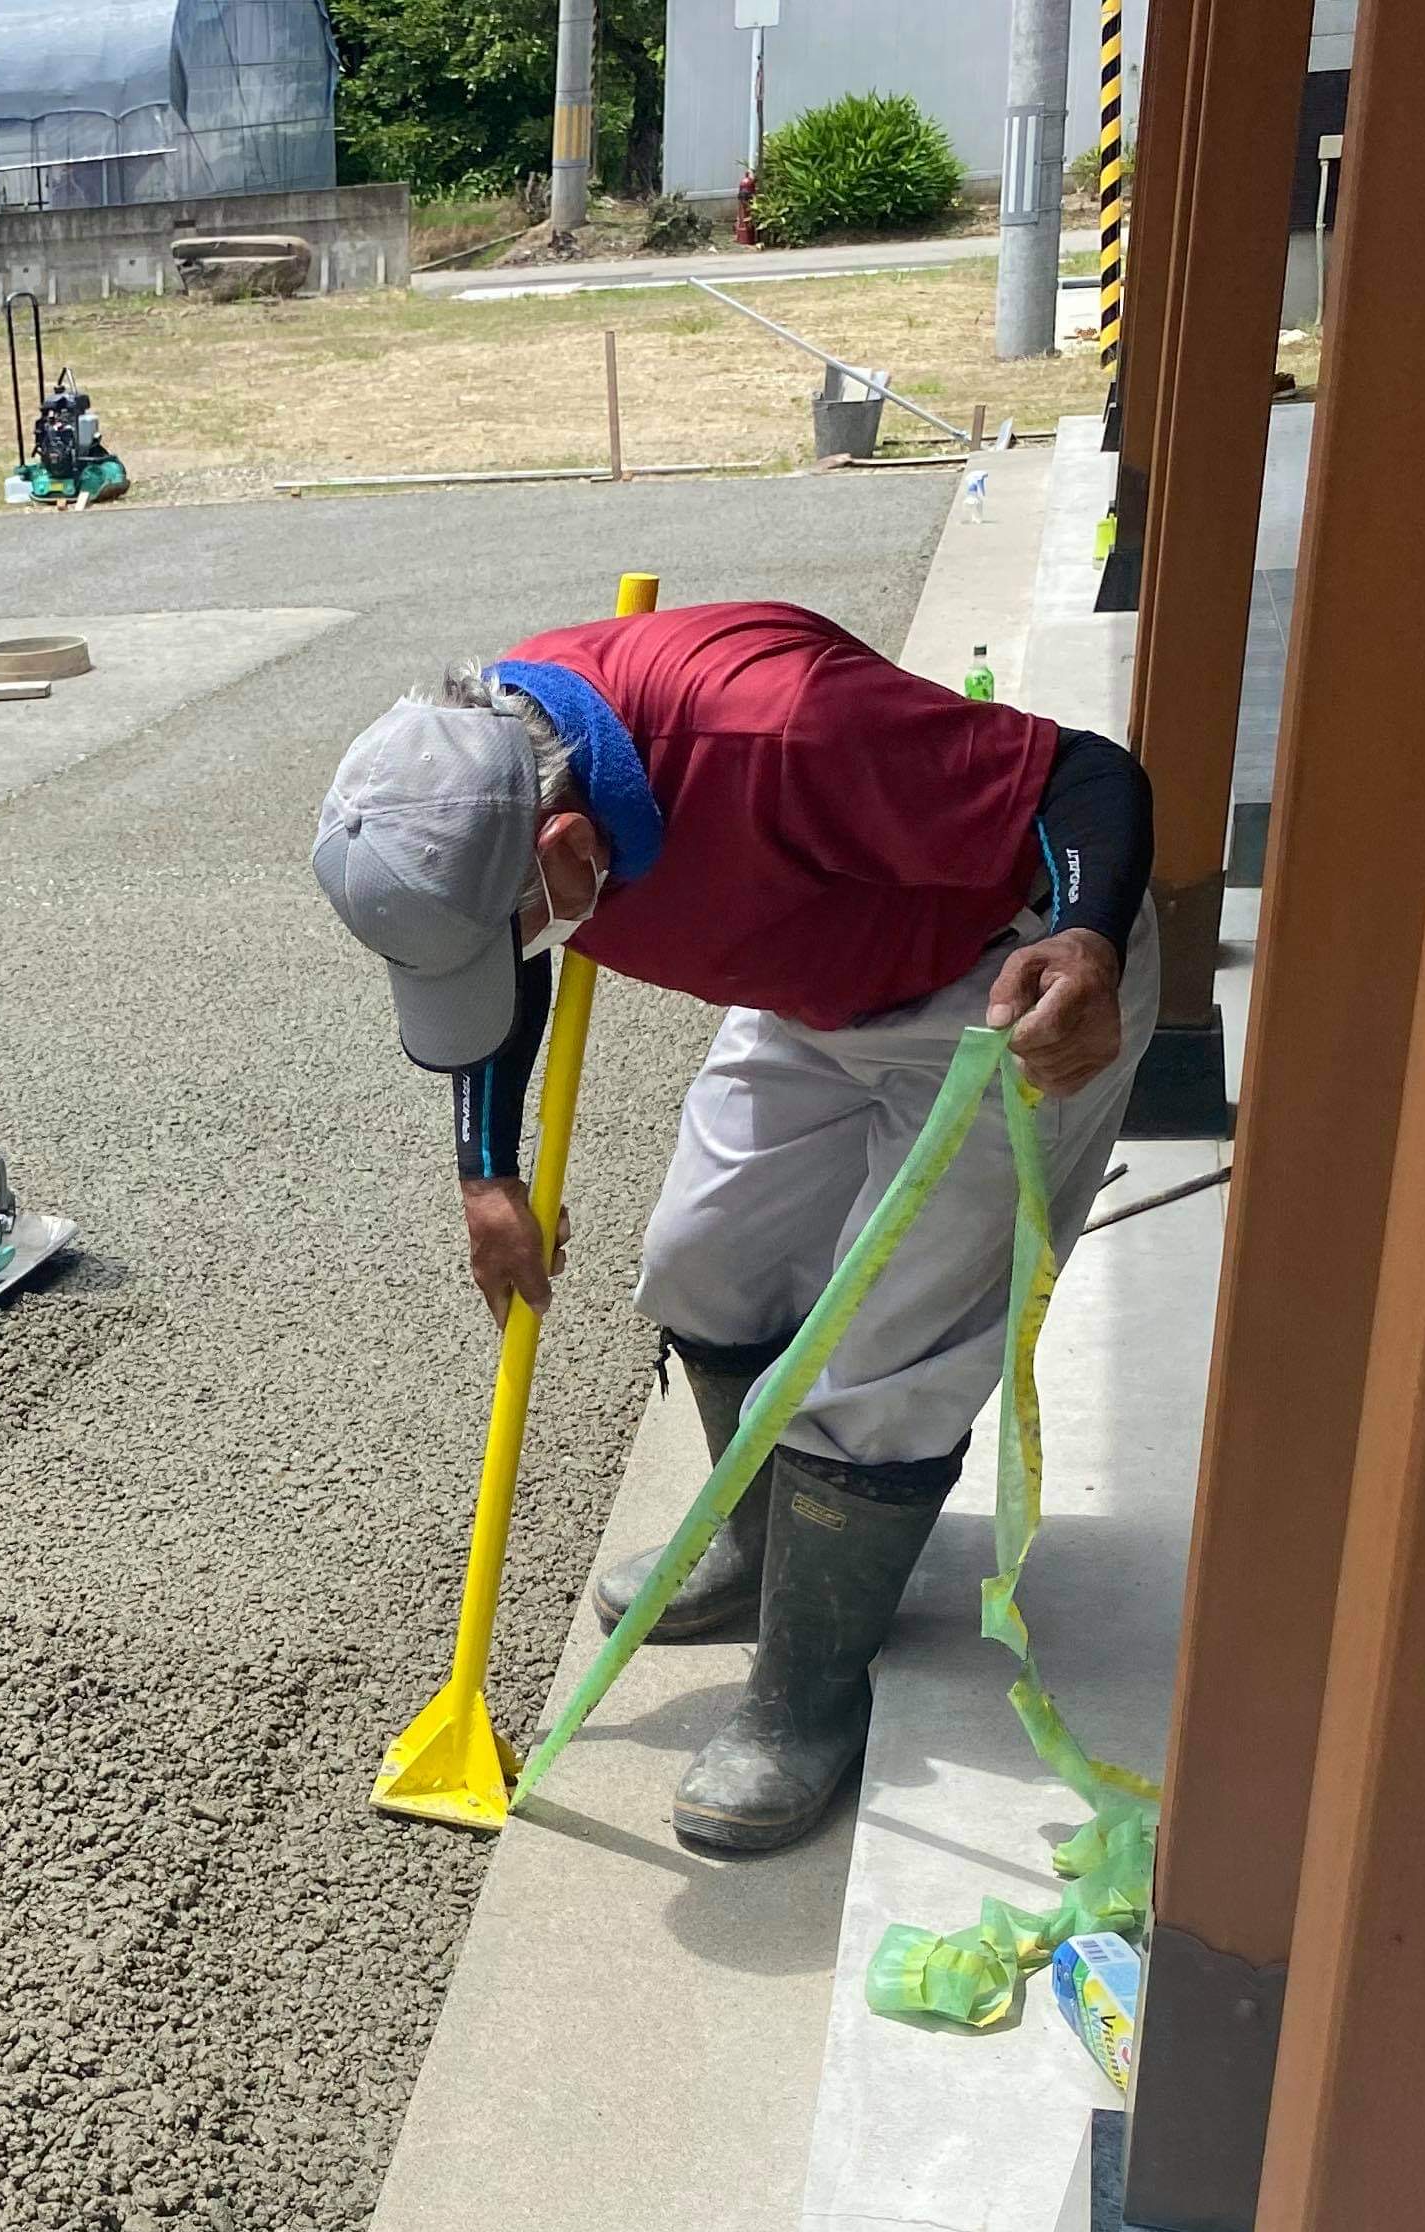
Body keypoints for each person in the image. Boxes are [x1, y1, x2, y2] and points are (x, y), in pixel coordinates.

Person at [314, 602, 1157, 1857]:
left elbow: (1090, 774)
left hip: (1001, 979)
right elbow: (508, 955)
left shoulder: (774, 728)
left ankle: (809, 1687)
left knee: (881, 1357)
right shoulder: (471, 785)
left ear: (568, 841)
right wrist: (486, 1172)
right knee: (701, 1260)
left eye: (529, 920)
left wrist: (1087, 941)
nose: (528, 948)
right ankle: (763, 1538)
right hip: (808, 980)